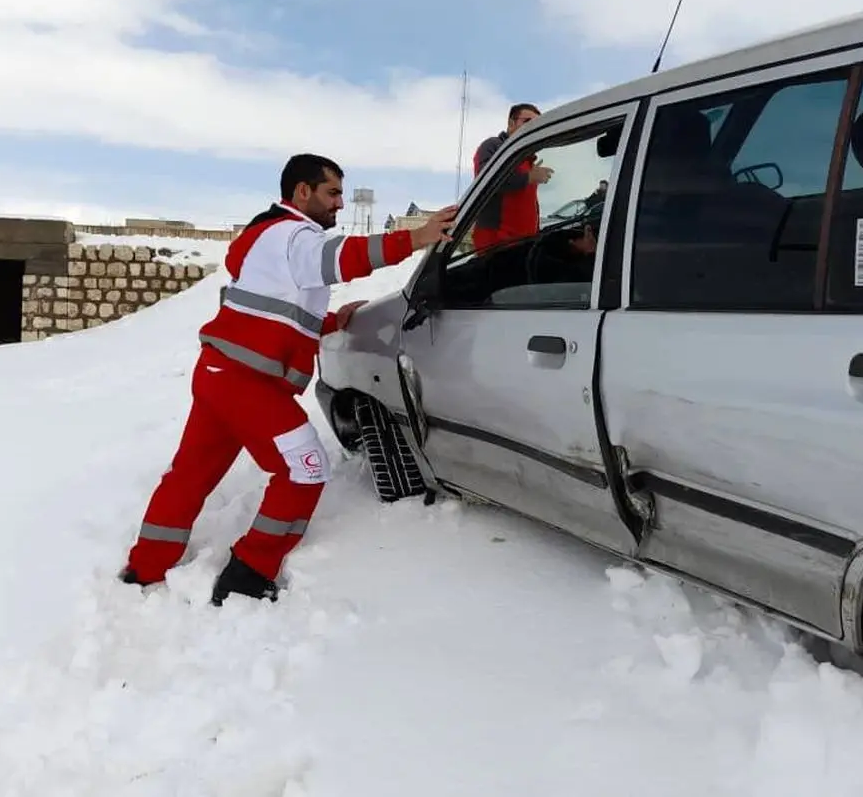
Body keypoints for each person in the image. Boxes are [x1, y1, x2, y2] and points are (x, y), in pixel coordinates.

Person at [120, 153, 457, 606]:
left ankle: (146, 567)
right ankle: (250, 570)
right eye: (332, 192)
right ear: (303, 191)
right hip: (248, 383)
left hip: (221, 373)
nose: (339, 203)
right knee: (305, 467)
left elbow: (278, 313)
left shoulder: (268, 239)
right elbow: (343, 258)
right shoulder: (293, 234)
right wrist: (415, 238)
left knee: (190, 475)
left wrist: (333, 319)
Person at [471, 102, 553, 252]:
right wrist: (528, 177)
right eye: (527, 122)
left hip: (524, 245)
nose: (532, 127)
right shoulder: (493, 146)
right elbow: (486, 182)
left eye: (537, 124)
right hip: (496, 244)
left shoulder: (527, 159)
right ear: (511, 123)